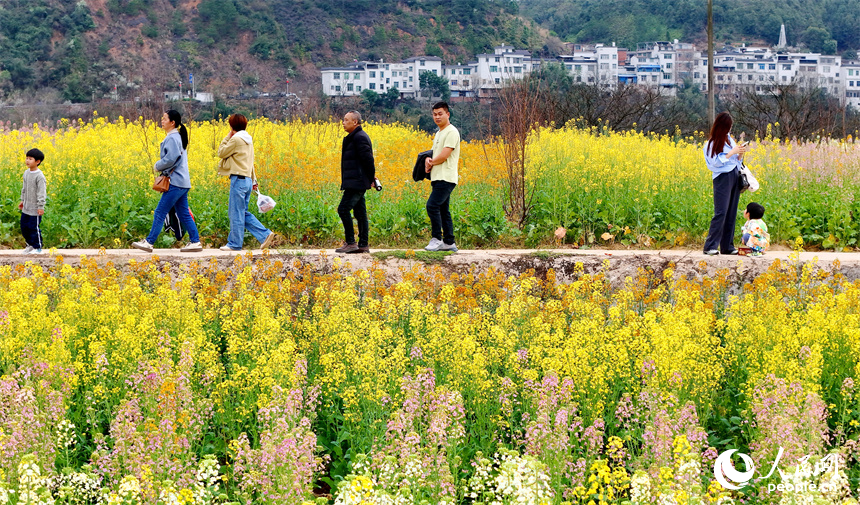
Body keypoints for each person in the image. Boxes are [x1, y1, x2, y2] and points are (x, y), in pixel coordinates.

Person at [132, 110, 202, 253]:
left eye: (164, 119)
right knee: (183, 213)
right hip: (182, 182)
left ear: (172, 122)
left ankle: (149, 242)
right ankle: (195, 242)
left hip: (175, 182)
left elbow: (171, 158)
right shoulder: (177, 136)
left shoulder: (172, 138)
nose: (162, 121)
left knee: (160, 212)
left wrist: (157, 166)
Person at [216, 113, 276, 251]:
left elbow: (221, 152)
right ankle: (264, 235)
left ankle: (235, 244)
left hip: (238, 179)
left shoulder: (236, 139)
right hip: (247, 180)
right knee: (242, 212)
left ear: (232, 126)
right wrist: (254, 180)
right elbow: (250, 161)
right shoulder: (248, 139)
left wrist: (228, 136)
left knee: (236, 213)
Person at [702, 112, 747, 255]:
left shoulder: (729, 140)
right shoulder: (711, 143)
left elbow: (736, 161)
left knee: (731, 212)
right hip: (722, 177)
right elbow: (714, 163)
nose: (730, 129)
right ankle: (710, 246)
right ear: (722, 126)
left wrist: (740, 153)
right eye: (728, 126)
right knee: (721, 212)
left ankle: (727, 246)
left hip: (734, 174)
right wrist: (732, 152)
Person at [335, 110, 376, 254]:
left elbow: (368, 160)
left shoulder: (359, 137)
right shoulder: (354, 137)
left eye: (346, 120)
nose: (343, 123)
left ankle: (351, 242)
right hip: (355, 180)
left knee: (343, 209)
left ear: (355, 122)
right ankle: (363, 244)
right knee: (360, 213)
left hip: (357, 181)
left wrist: (371, 178)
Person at [423, 101, 460, 252]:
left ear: (447, 114)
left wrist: (431, 162)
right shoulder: (439, 133)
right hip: (438, 176)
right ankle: (449, 242)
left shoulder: (452, 132)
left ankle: (437, 239)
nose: (437, 117)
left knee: (432, 206)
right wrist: (428, 160)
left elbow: (445, 155)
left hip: (446, 177)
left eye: (440, 114)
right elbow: (435, 154)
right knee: (443, 209)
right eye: (434, 114)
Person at [18, 148, 46, 254]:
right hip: (26, 207)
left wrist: (40, 206)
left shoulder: (40, 176)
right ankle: (29, 245)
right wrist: (22, 200)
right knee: (24, 227)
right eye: (27, 158)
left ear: (37, 161)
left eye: (30, 159)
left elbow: (41, 192)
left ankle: (37, 247)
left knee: (33, 228)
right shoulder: (26, 173)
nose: (27, 161)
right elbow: (24, 188)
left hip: (35, 208)